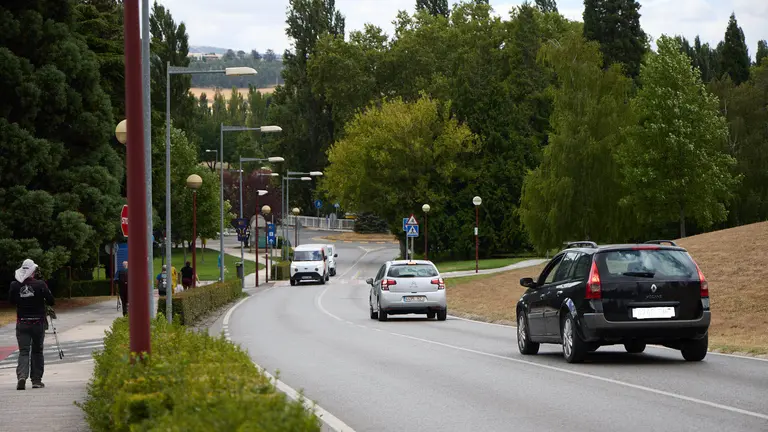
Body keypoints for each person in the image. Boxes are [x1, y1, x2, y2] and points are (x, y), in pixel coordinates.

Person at [8, 259, 54, 390]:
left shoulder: (14, 285)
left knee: (23, 351)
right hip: (38, 323)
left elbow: (11, 301)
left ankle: (22, 376)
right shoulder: (40, 284)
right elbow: (51, 301)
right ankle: (36, 380)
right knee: (37, 351)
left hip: (22, 323)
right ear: (33, 271)